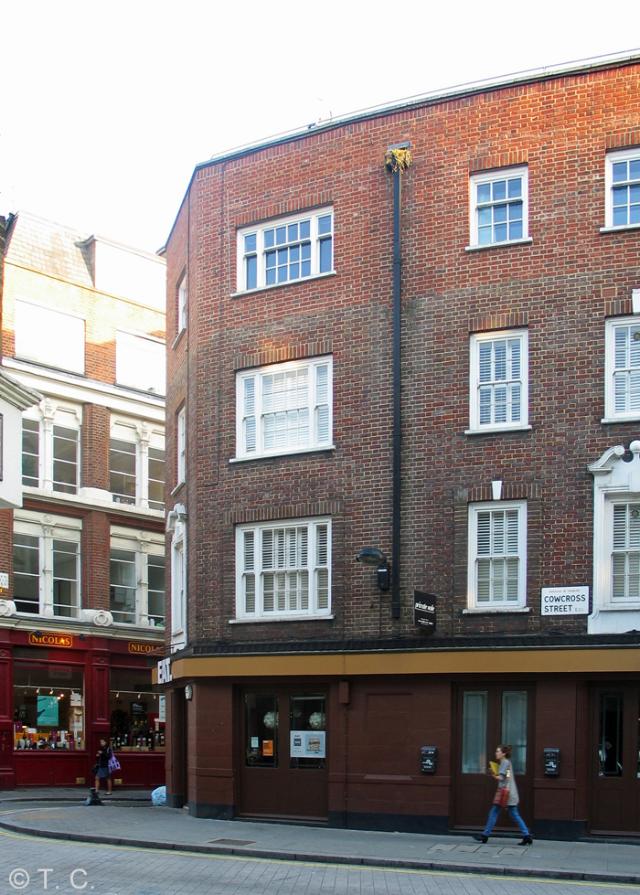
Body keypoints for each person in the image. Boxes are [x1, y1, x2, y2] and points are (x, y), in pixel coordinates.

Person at [473, 744, 532, 845]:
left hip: (505, 794)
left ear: (503, 753)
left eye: (498, 751)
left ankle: (485, 835)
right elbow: (507, 777)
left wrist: (492, 773)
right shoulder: (508, 763)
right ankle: (527, 835)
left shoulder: (504, 763)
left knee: (494, 812)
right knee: (514, 814)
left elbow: (501, 778)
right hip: (510, 793)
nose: (496, 753)